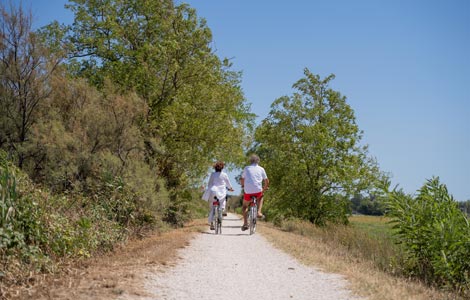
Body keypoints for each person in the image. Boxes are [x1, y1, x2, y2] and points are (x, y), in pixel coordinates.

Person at [240, 154, 269, 231]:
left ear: (250, 161)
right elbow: (266, 181)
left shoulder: (246, 168)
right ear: (258, 161)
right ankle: (259, 212)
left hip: (248, 191)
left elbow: (242, 179)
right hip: (257, 191)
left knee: (245, 206)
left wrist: (243, 185)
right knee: (261, 196)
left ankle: (245, 223)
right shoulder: (261, 169)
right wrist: (264, 188)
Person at [206, 161, 234, 230]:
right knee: (223, 201)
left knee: (212, 207)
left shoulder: (212, 174)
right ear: (222, 168)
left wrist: (210, 188)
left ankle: (212, 223)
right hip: (221, 192)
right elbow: (228, 184)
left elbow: (209, 183)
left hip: (213, 191)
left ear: (215, 168)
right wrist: (230, 188)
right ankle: (222, 211)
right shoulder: (224, 175)